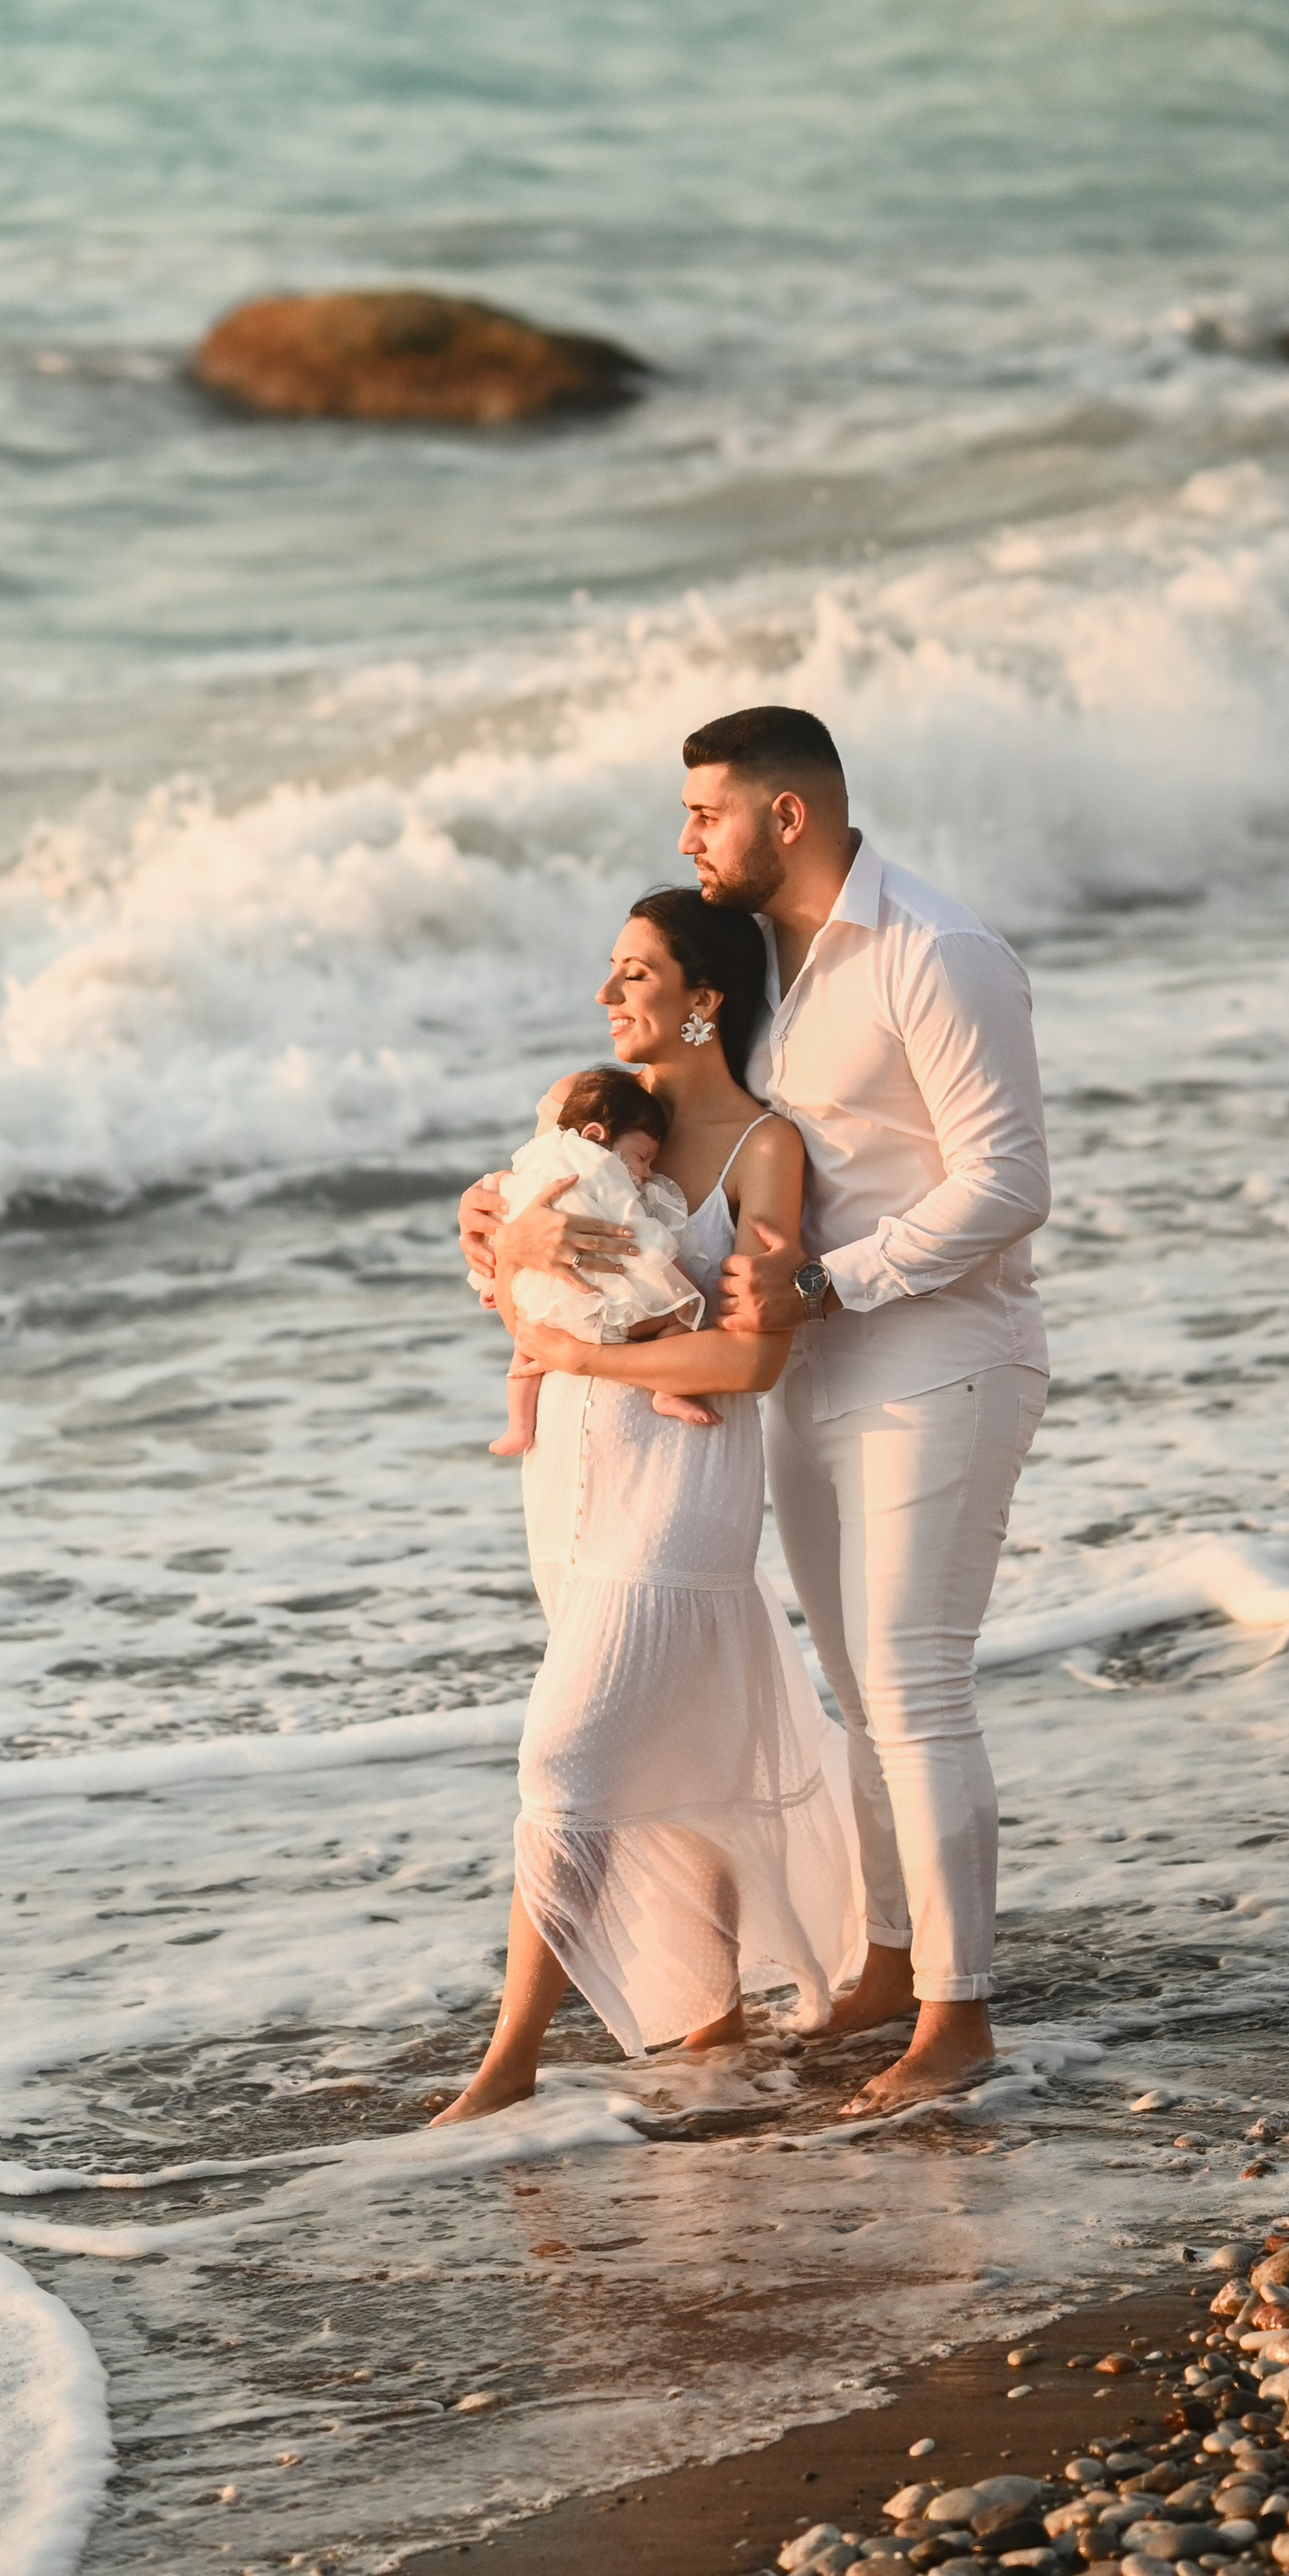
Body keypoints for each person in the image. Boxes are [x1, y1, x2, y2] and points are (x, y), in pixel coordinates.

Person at [683, 705, 1050, 2118]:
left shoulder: (937, 952)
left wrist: (832, 1287)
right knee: (856, 1691)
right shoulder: (756, 973)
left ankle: (959, 2021)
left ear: (788, 814)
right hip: (810, 1367)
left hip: (940, 1357)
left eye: (705, 813)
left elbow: (1006, 1181)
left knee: (915, 1683)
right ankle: (893, 1963)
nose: (686, 840)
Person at [437, 890, 859, 2124]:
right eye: (611, 974)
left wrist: (593, 1363)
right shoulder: (583, 1127)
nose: (610, 996)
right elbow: (519, 1296)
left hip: (687, 1488)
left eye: (634, 975)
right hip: (573, 1475)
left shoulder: (763, 1150)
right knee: (665, 1753)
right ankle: (709, 2022)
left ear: (706, 998)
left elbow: (750, 1364)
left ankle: (509, 2060)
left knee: (565, 1759)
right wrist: (492, 1243)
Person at [475, 1064, 708, 1458]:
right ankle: (667, 1392)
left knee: (524, 1354)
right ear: (597, 1136)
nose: (646, 1173)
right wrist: (670, 1265)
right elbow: (632, 1226)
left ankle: (518, 1426)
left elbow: (505, 1209)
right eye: (641, 1157)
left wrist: (489, 1282)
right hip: (596, 1310)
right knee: (683, 1312)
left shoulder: (538, 1157)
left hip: (539, 1305)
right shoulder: (603, 1167)